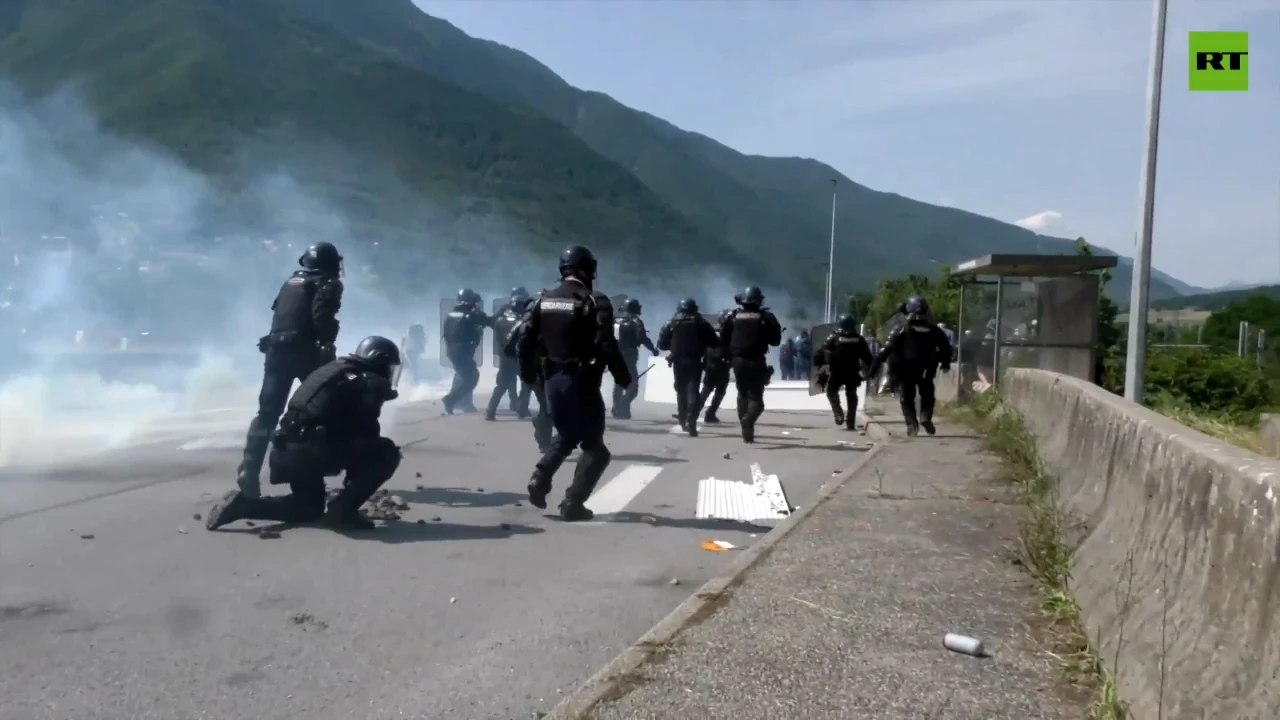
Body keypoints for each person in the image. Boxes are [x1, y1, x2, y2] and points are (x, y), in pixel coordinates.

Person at [205, 336, 403, 532]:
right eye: (390, 366)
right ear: (379, 359)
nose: (390, 372)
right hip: (312, 450)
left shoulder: (335, 370)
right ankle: (342, 511)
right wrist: (356, 479)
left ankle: (242, 506)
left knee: (307, 508)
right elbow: (367, 430)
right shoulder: (369, 381)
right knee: (387, 452)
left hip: (287, 451)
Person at [517, 245, 631, 520]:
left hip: (551, 381)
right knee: (596, 450)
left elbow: (523, 340)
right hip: (581, 381)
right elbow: (606, 344)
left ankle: (540, 478)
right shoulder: (595, 301)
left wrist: (529, 375)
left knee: (567, 435)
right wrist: (623, 377)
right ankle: (572, 504)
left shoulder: (541, 300)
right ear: (586, 268)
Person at [234, 241, 344, 498]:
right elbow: (321, 318)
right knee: (324, 409)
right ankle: (309, 473)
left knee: (267, 415)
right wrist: (328, 343)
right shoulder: (327, 283)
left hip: (276, 352)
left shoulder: (290, 282)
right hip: (306, 352)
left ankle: (249, 471)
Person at [869, 296, 952, 436]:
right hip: (926, 368)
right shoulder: (935, 330)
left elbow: (886, 350)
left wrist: (873, 369)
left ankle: (912, 424)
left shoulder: (900, 329)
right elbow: (946, 349)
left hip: (904, 369)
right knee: (927, 394)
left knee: (907, 397)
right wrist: (945, 364)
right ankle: (925, 417)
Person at [719, 286, 783, 443]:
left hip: (738, 362)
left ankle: (746, 431)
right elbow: (775, 341)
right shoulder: (766, 317)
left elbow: (723, 339)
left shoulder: (732, 316)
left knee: (742, 394)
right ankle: (748, 422)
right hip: (756, 361)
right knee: (756, 401)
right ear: (758, 300)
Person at [657, 298, 719, 436]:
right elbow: (714, 341)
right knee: (693, 391)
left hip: (678, 362)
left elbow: (662, 344)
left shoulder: (671, 322)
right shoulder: (701, 322)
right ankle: (691, 420)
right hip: (695, 361)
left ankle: (683, 418)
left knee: (680, 390)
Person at [506, 293, 553, 451]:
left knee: (546, 406)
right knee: (550, 407)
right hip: (553, 371)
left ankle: (545, 440)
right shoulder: (561, 323)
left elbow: (509, 348)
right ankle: (547, 440)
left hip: (537, 373)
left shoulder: (522, 324)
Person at [814, 314, 874, 430]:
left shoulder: (833, 338)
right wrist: (870, 371)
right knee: (851, 395)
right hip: (852, 372)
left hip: (837, 372)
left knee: (831, 392)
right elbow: (868, 357)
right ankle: (850, 422)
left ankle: (838, 413)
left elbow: (820, 353)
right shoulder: (859, 339)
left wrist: (818, 366)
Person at [441, 288, 493, 414]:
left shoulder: (451, 315)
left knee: (462, 375)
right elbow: (488, 321)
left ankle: (462, 403)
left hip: (452, 350)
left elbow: (446, 334)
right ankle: (451, 400)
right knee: (471, 378)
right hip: (463, 350)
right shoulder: (472, 314)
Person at [485, 287, 533, 420]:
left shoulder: (503, 311)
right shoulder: (527, 313)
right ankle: (522, 409)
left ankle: (490, 411)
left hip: (505, 355)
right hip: (520, 356)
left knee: (502, 384)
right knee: (526, 383)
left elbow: (491, 322)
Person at [611, 297, 657, 419]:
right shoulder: (636, 321)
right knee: (633, 386)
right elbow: (642, 338)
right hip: (629, 356)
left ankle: (617, 408)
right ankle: (623, 406)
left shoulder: (615, 320)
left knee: (619, 383)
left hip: (614, 356)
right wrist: (653, 349)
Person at [698, 309, 733, 423]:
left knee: (707, 390)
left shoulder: (712, 329)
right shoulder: (727, 331)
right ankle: (710, 413)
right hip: (721, 364)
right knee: (719, 391)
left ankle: (694, 412)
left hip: (711, 364)